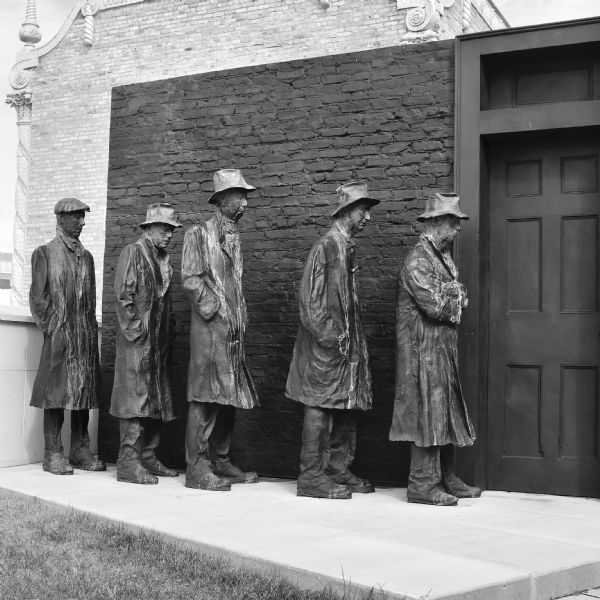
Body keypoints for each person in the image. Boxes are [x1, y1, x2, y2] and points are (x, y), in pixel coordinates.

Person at [286, 181, 378, 499]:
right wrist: (331, 338)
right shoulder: (326, 246)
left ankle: (337, 468)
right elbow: (309, 301)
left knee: (346, 406)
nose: (367, 217)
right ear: (347, 211)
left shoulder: (346, 246)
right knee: (320, 406)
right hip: (326, 347)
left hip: (345, 346)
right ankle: (311, 476)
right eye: (363, 211)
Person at [389, 192, 481, 506]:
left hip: (439, 348)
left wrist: (455, 291)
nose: (457, 229)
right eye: (452, 222)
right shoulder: (417, 259)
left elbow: (454, 295)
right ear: (435, 223)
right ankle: (422, 484)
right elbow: (437, 305)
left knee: (446, 411)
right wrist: (455, 293)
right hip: (421, 351)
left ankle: (446, 477)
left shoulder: (440, 257)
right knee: (428, 414)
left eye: (458, 223)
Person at [182, 169, 260, 491]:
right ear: (222, 199)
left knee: (230, 396)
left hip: (232, 332)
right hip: (211, 331)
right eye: (240, 196)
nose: (244, 202)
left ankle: (221, 460)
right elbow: (190, 278)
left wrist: (239, 314)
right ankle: (197, 467)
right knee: (205, 397)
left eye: (245, 196)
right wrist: (218, 310)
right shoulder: (198, 234)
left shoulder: (233, 235)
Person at [29, 198, 105, 475]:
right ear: (61, 219)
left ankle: (81, 450)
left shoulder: (87, 257)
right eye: (77, 217)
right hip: (60, 336)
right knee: (56, 395)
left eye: (83, 217)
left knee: (83, 394)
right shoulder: (45, 253)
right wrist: (54, 326)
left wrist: (86, 328)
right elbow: (38, 298)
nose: (82, 222)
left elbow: (91, 298)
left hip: (83, 335)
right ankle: (52, 453)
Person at [110, 203, 181, 485]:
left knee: (157, 400)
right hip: (138, 343)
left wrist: (169, 332)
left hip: (158, 344)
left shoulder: (163, 260)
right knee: (136, 400)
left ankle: (148, 456)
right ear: (149, 228)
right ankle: (128, 461)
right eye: (165, 229)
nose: (169, 235)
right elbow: (123, 297)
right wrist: (138, 333)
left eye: (171, 231)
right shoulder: (134, 252)